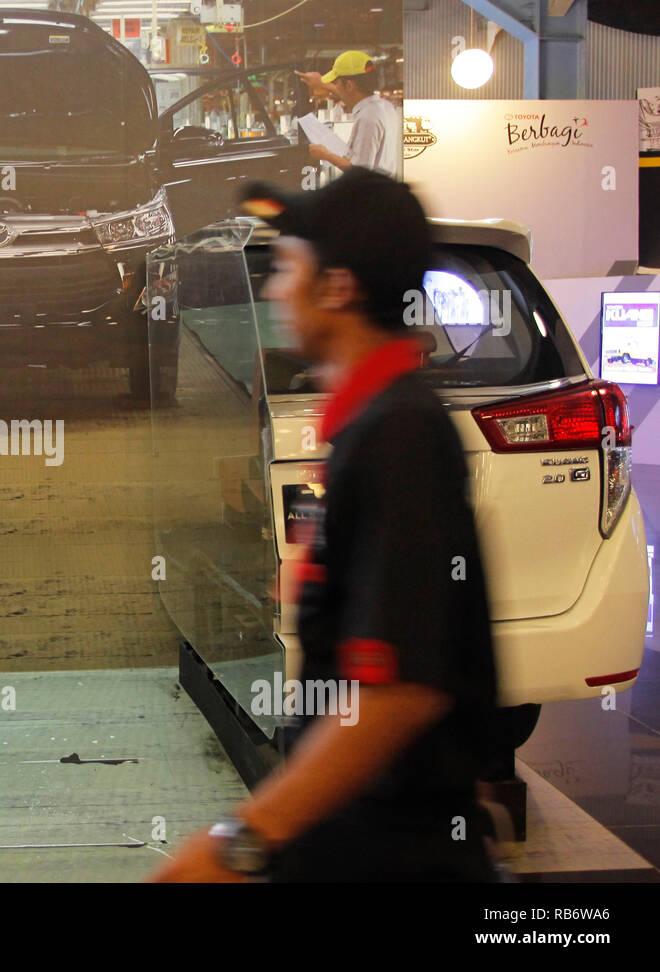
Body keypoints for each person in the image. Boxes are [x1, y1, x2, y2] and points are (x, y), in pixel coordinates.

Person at [151, 169, 499, 882]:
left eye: (288, 268)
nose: (275, 289)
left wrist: (239, 845)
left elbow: (398, 692)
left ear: (337, 287)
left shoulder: (398, 433)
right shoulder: (372, 424)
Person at [296, 51, 403, 180]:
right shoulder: (384, 106)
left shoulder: (368, 118)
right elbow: (349, 95)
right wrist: (320, 82)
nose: (336, 87)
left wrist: (325, 154)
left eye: (337, 83)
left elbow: (360, 172)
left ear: (349, 85)